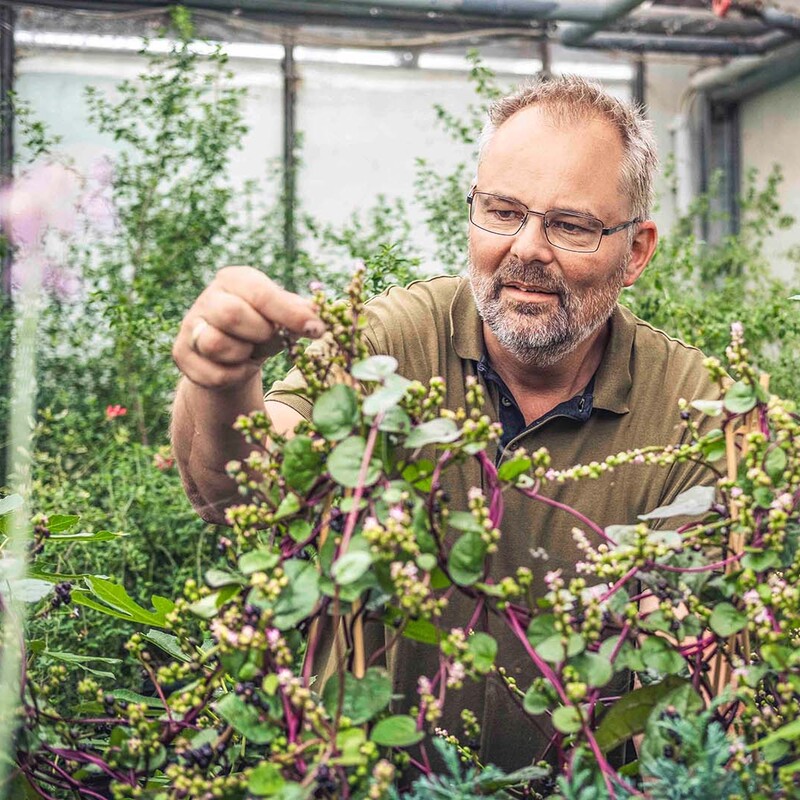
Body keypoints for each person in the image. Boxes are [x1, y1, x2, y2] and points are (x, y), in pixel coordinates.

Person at [171, 75, 718, 771]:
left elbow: (699, 663)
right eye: (502, 211)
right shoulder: (391, 344)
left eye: (570, 224)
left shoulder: (693, 408)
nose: (527, 248)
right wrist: (221, 380)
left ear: (636, 251)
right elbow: (240, 492)